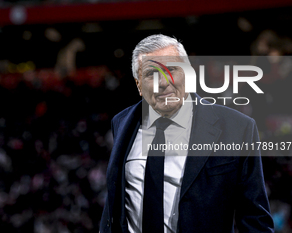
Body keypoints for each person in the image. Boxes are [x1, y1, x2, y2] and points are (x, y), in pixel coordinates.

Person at [100, 34, 274, 233]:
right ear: (139, 85)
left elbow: (255, 219)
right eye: (150, 74)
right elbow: (114, 206)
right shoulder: (122, 123)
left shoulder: (237, 127)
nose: (163, 82)